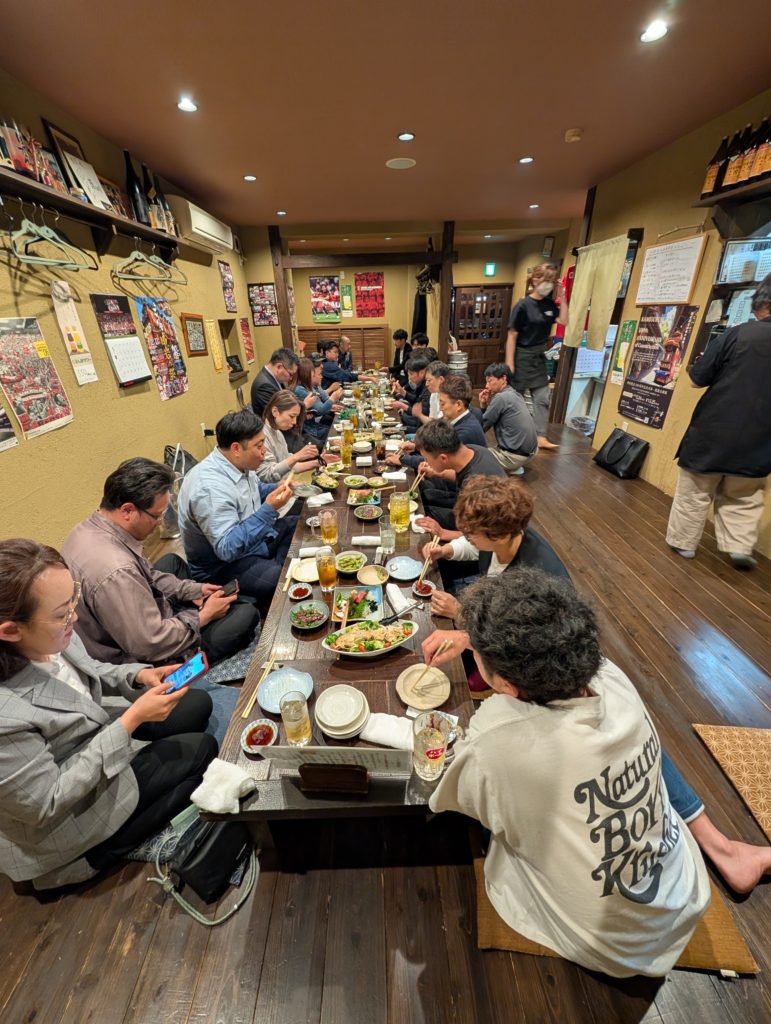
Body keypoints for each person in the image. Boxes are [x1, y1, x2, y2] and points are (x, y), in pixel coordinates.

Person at [425, 569, 770, 977]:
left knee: (482, 820)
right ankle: (723, 850)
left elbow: (448, 795)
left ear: (506, 686)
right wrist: (474, 641)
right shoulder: (610, 676)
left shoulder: (498, 739)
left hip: (611, 946)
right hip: (680, 895)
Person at [0, 539, 217, 889]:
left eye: (72, 600)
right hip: (65, 811)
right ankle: (88, 858)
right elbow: (47, 802)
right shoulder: (5, 716)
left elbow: (90, 671)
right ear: (11, 630)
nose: (74, 616)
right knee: (202, 751)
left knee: (196, 705)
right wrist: (130, 721)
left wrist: (139, 675)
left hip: (95, 730)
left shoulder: (50, 634)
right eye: (61, 613)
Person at [61, 458, 259, 668]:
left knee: (172, 562)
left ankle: (186, 610)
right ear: (127, 510)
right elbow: (149, 644)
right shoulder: (118, 571)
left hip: (123, 620)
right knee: (247, 614)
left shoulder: (86, 529)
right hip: (140, 656)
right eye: (157, 516)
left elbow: (147, 575)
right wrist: (203, 616)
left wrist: (194, 590)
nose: (160, 523)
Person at [666, 275, 771, 569]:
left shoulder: (739, 334)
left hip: (714, 432)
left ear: (763, 303)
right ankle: (739, 547)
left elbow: (697, 380)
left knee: (695, 492)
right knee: (744, 497)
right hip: (761, 440)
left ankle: (683, 543)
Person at [177, 410, 296, 611]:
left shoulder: (240, 463)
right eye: (259, 445)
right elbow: (227, 549)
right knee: (280, 577)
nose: (265, 451)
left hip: (253, 543)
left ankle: (273, 570)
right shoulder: (209, 488)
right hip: (221, 567)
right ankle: (267, 594)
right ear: (236, 448)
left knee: (297, 524)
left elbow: (254, 491)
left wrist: (276, 488)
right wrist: (269, 509)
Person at [505, 263, 568, 450]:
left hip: (539, 354)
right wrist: (510, 362)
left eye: (551, 280)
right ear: (535, 280)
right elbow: (512, 334)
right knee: (515, 398)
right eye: (546, 279)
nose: (548, 284)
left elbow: (563, 320)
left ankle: (540, 436)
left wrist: (563, 296)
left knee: (542, 398)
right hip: (522, 354)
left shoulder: (549, 304)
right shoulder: (523, 305)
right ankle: (512, 432)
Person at [413, 418, 506, 532]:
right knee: (427, 495)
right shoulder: (473, 449)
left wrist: (443, 533)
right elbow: (460, 473)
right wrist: (435, 473)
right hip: (471, 507)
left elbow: (485, 533)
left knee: (424, 513)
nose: (426, 462)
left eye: (426, 459)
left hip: (490, 526)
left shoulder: (476, 486)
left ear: (443, 458)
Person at [479, 363, 538, 475]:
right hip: (531, 452)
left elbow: (481, 427)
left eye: (490, 381)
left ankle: (510, 466)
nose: (486, 386)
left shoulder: (501, 397)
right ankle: (513, 466)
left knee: (474, 454)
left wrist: (482, 407)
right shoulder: (515, 394)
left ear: (503, 379)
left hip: (515, 457)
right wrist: (484, 404)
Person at [257, 391, 320, 482]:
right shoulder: (261, 437)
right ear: (275, 411)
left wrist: (317, 463)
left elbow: (289, 466)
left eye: (296, 417)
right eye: (291, 416)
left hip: (287, 483)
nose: (294, 422)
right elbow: (267, 475)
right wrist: (296, 456)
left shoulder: (278, 432)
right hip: (276, 488)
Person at [293, 355, 342, 442]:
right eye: (313, 374)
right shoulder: (300, 390)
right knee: (334, 432)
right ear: (306, 375)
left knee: (333, 427)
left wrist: (330, 406)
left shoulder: (307, 386)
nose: (320, 376)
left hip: (313, 425)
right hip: (307, 430)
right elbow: (320, 410)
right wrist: (332, 398)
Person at [250, 347, 300, 416]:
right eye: (290, 374)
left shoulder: (275, 378)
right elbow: (278, 415)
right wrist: (304, 406)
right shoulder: (264, 386)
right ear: (279, 367)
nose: (291, 378)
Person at [391, 353, 431, 432]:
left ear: (422, 373)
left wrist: (402, 406)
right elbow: (416, 400)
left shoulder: (428, 389)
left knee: (398, 423)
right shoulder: (421, 384)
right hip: (419, 424)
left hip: (422, 430)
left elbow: (421, 422)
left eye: (411, 374)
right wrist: (402, 392)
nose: (409, 377)